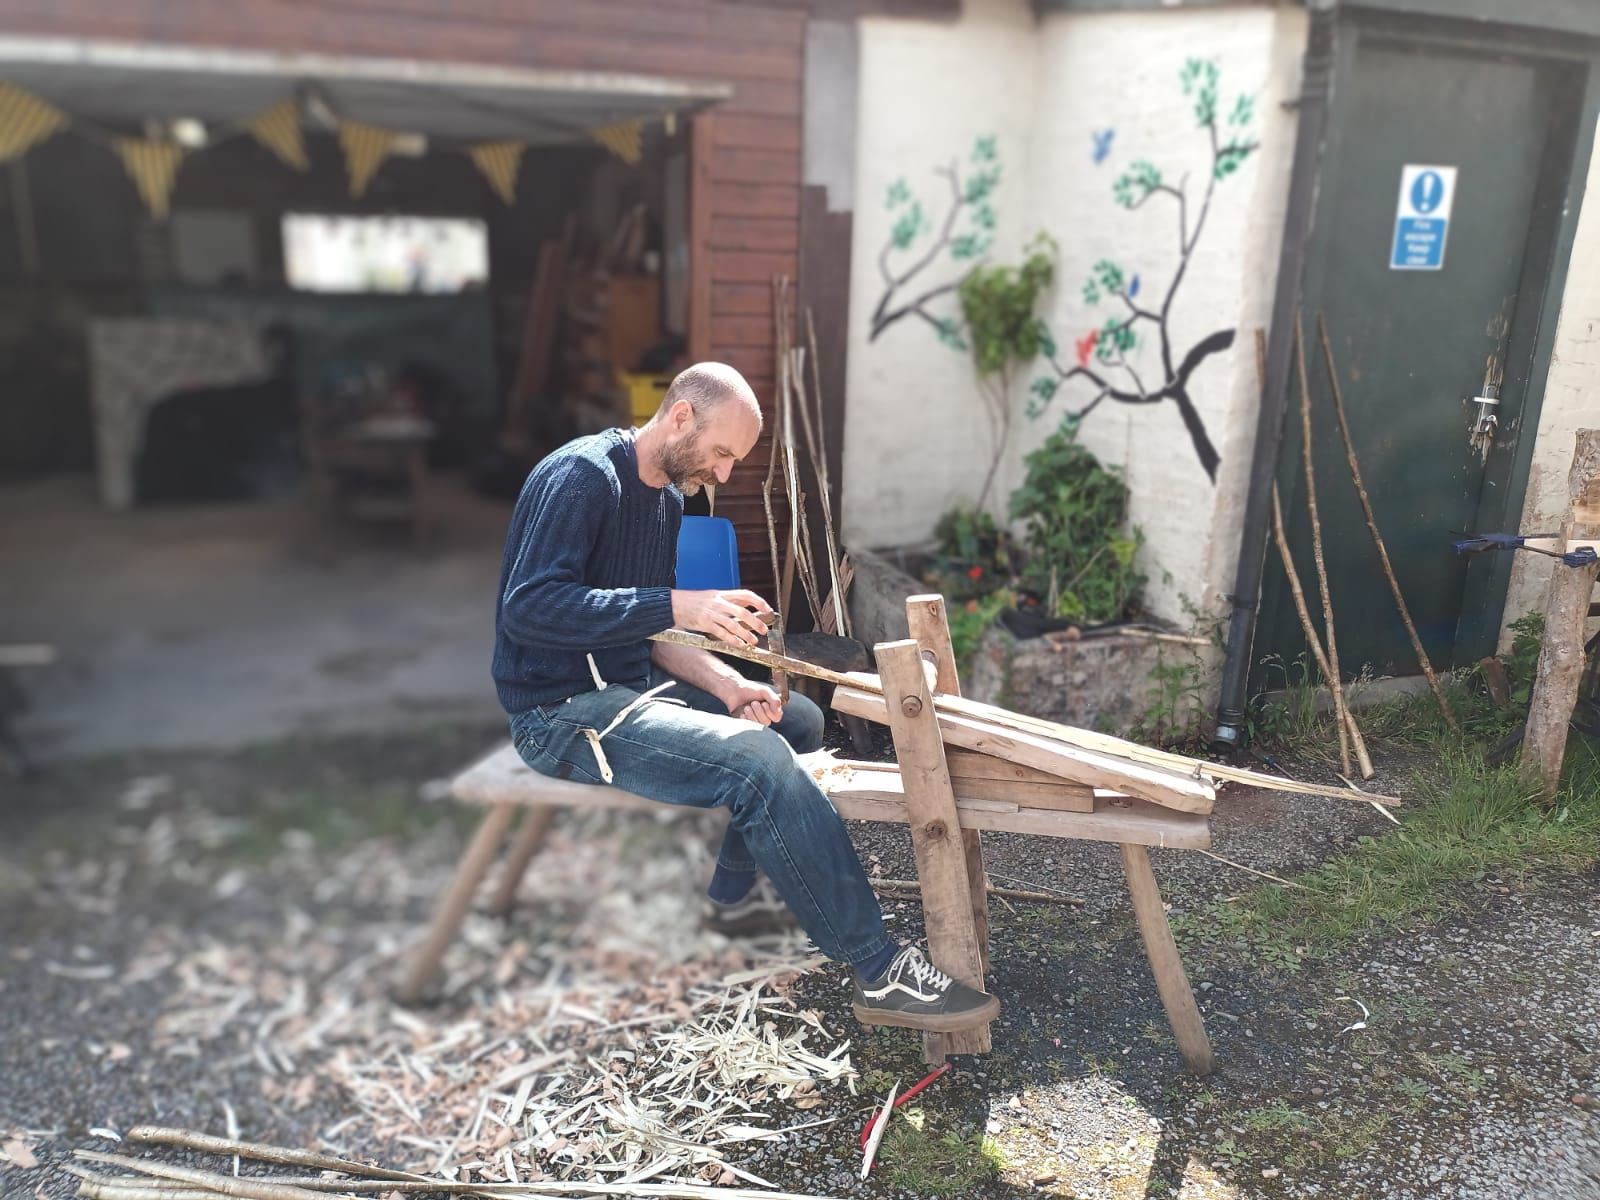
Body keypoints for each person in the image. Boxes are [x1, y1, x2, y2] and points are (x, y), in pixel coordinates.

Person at [492, 362, 999, 1033]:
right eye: (722, 452)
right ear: (680, 418)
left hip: (627, 687)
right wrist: (681, 602)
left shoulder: (668, 500)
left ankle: (729, 901)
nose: (725, 474)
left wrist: (729, 684)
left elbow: (643, 627)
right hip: (558, 713)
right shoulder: (582, 479)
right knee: (757, 762)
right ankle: (879, 970)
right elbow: (529, 610)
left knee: (798, 720)